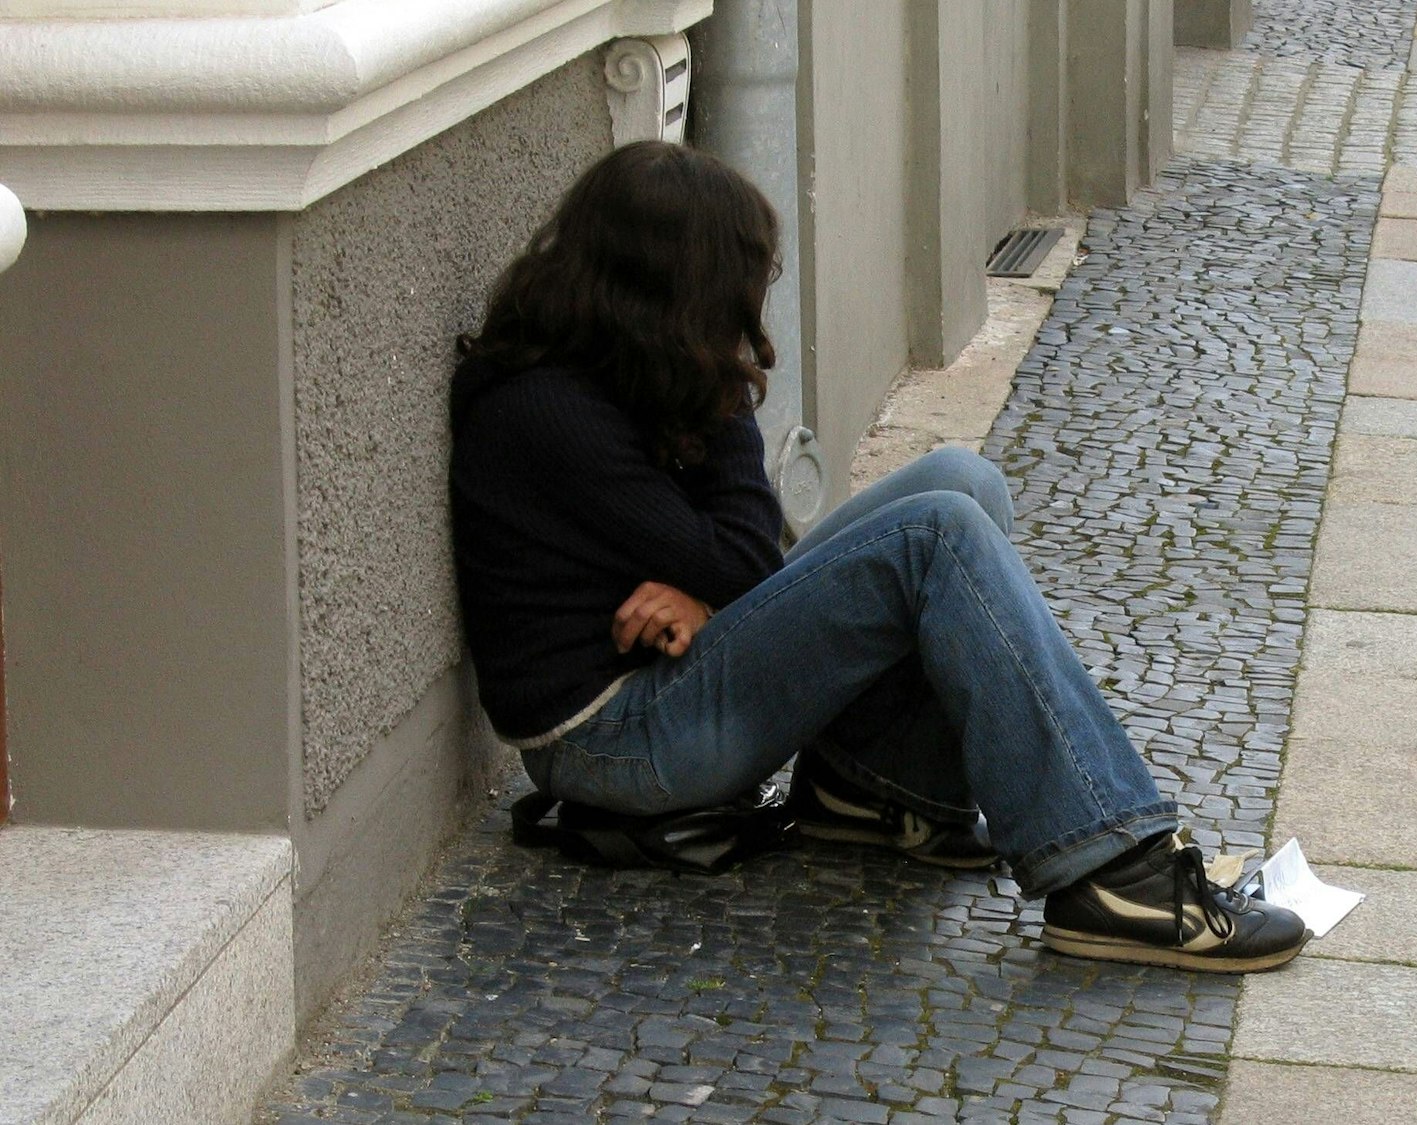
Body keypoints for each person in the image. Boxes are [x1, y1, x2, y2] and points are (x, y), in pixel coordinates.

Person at [448, 141, 1307, 973]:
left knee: (963, 482)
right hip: (616, 741)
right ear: (671, 293)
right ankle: (1115, 876)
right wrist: (720, 407)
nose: (740, 317)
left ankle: (878, 789)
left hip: (663, 687)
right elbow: (744, 556)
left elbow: (732, 561)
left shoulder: (607, 368)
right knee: (936, 535)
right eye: (726, 295)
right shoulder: (548, 411)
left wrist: (709, 588)